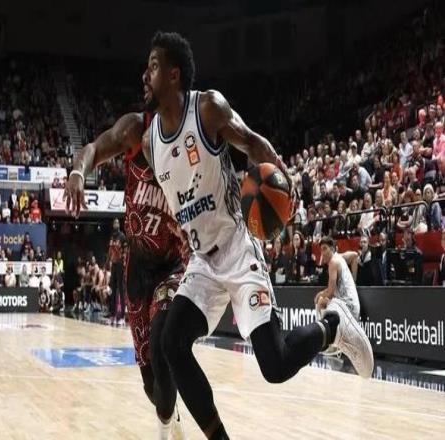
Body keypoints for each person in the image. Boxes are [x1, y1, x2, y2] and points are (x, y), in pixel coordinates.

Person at [101, 31, 371, 439]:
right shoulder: (152, 143)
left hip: (237, 249)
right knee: (172, 344)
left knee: (275, 365)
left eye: (153, 66)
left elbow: (253, 144)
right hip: (202, 261)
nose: (145, 75)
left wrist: (284, 185)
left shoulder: (208, 108)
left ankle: (333, 324)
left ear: (174, 75)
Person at [65, 91, 187, 439]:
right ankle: (171, 418)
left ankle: (164, 432)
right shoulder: (135, 128)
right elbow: (92, 149)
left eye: (154, 69)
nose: (146, 78)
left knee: (163, 348)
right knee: (151, 383)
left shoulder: (189, 145)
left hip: (171, 266)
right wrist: (77, 172)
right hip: (137, 268)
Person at [315, 237, 360, 320]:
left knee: (321, 302)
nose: (322, 253)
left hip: (348, 307)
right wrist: (353, 281)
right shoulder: (339, 257)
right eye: (321, 250)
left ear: (332, 249)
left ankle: (323, 327)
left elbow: (330, 293)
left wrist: (320, 295)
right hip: (351, 305)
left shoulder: (333, 262)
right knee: (322, 299)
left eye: (325, 249)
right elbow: (355, 255)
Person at [107, 218, 127, 324]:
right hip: (113, 265)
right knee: (113, 290)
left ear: (119, 224)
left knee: (121, 290)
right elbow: (110, 251)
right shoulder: (112, 237)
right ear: (112, 225)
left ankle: (122, 317)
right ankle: (113, 315)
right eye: (114, 222)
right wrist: (107, 263)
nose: (116, 224)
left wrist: (123, 264)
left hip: (120, 265)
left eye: (117, 222)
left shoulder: (122, 236)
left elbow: (126, 251)